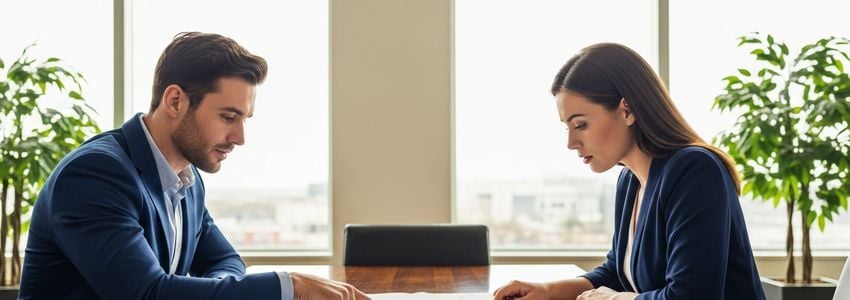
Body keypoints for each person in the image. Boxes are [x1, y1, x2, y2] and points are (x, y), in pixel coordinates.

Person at [19, 32, 368, 300]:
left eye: (244, 118)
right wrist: (289, 287)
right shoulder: (96, 174)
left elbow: (227, 261)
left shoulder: (186, 178)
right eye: (228, 116)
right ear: (175, 101)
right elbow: (146, 294)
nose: (240, 137)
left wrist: (186, 292)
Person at [492, 43, 765, 300]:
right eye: (568, 127)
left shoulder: (694, 170)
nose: (571, 143)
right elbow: (616, 274)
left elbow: (691, 295)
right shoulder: (630, 180)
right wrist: (546, 291)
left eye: (581, 125)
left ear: (627, 110)